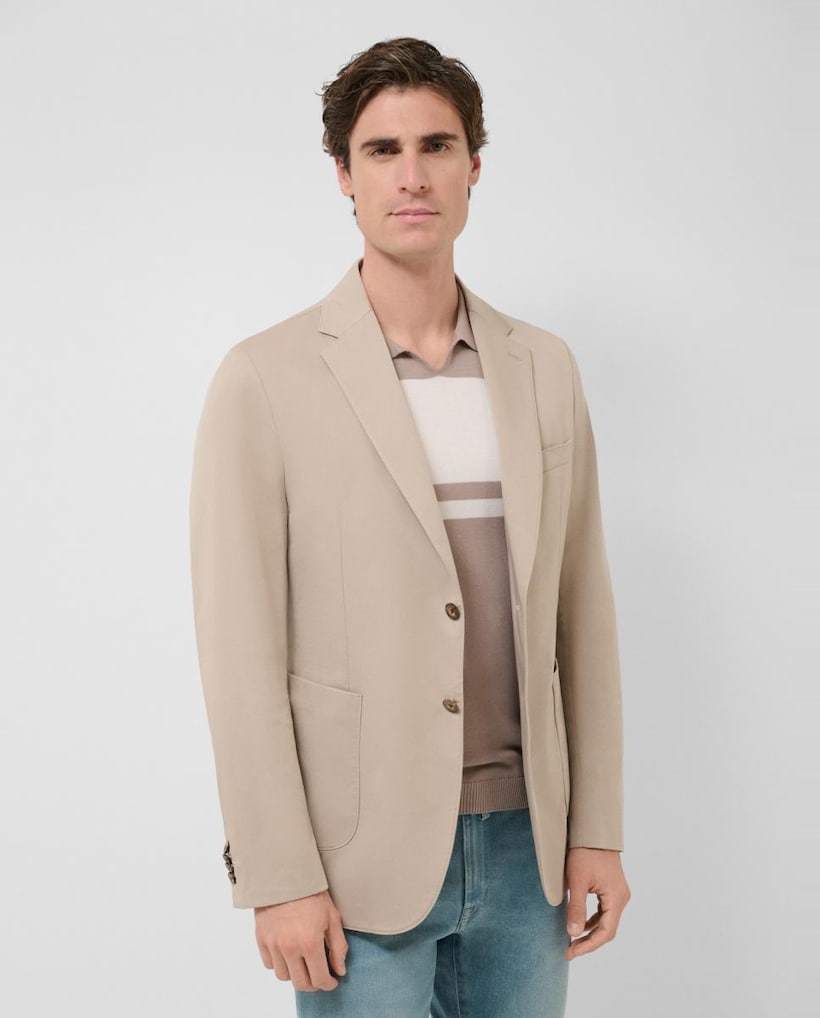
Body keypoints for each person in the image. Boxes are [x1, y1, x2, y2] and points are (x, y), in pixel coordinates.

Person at [189, 36, 630, 1018]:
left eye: (437, 146)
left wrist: (595, 826)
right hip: (358, 862)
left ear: (474, 167)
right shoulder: (266, 378)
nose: (412, 175)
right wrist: (278, 872)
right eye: (382, 151)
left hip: (528, 852)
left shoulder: (542, 367)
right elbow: (239, 650)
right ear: (343, 176)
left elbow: (581, 612)